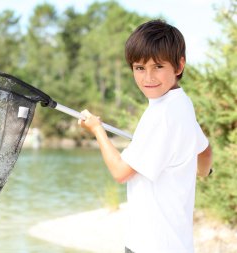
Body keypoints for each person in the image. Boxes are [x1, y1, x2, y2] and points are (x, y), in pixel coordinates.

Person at [78, 19, 213, 253]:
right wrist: (203, 172)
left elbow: (120, 173)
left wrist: (97, 130)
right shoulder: (182, 103)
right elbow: (205, 150)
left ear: (179, 66)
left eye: (158, 66)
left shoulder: (160, 115)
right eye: (140, 68)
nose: (148, 77)